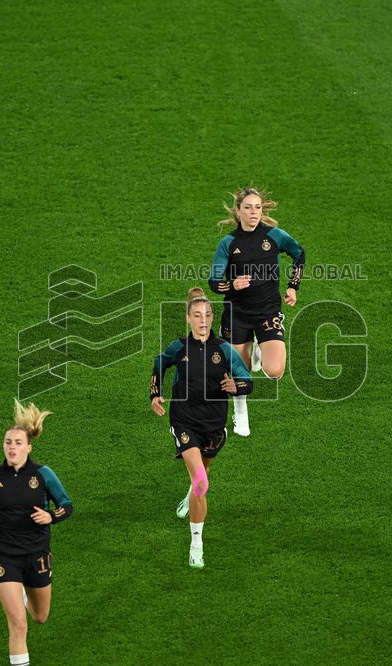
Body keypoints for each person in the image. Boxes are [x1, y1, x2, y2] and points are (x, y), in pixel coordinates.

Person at [149, 287, 253, 568]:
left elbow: (247, 380)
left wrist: (237, 385)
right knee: (201, 482)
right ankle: (197, 545)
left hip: (214, 426)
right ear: (188, 319)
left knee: (200, 477)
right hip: (184, 421)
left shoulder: (225, 351)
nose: (203, 320)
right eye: (197, 315)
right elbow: (160, 362)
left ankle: (190, 496)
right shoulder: (179, 347)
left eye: (207, 315)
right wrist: (155, 393)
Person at [0, 400, 73, 666]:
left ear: (29, 447)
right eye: (8, 442)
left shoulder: (43, 474)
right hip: (4, 555)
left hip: (36, 553)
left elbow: (66, 506)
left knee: (40, 616)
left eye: (17, 443)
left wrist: (51, 516)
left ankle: (25, 593)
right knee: (18, 624)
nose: (11, 447)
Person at [208, 187, 304, 436]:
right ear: (238, 211)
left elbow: (299, 254)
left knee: (274, 372)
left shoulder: (274, 236)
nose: (254, 212)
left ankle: (261, 345)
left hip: (267, 312)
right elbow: (213, 281)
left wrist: (293, 287)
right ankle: (241, 419)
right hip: (237, 314)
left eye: (258, 207)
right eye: (248, 207)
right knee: (240, 373)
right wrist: (232, 284)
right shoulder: (228, 243)